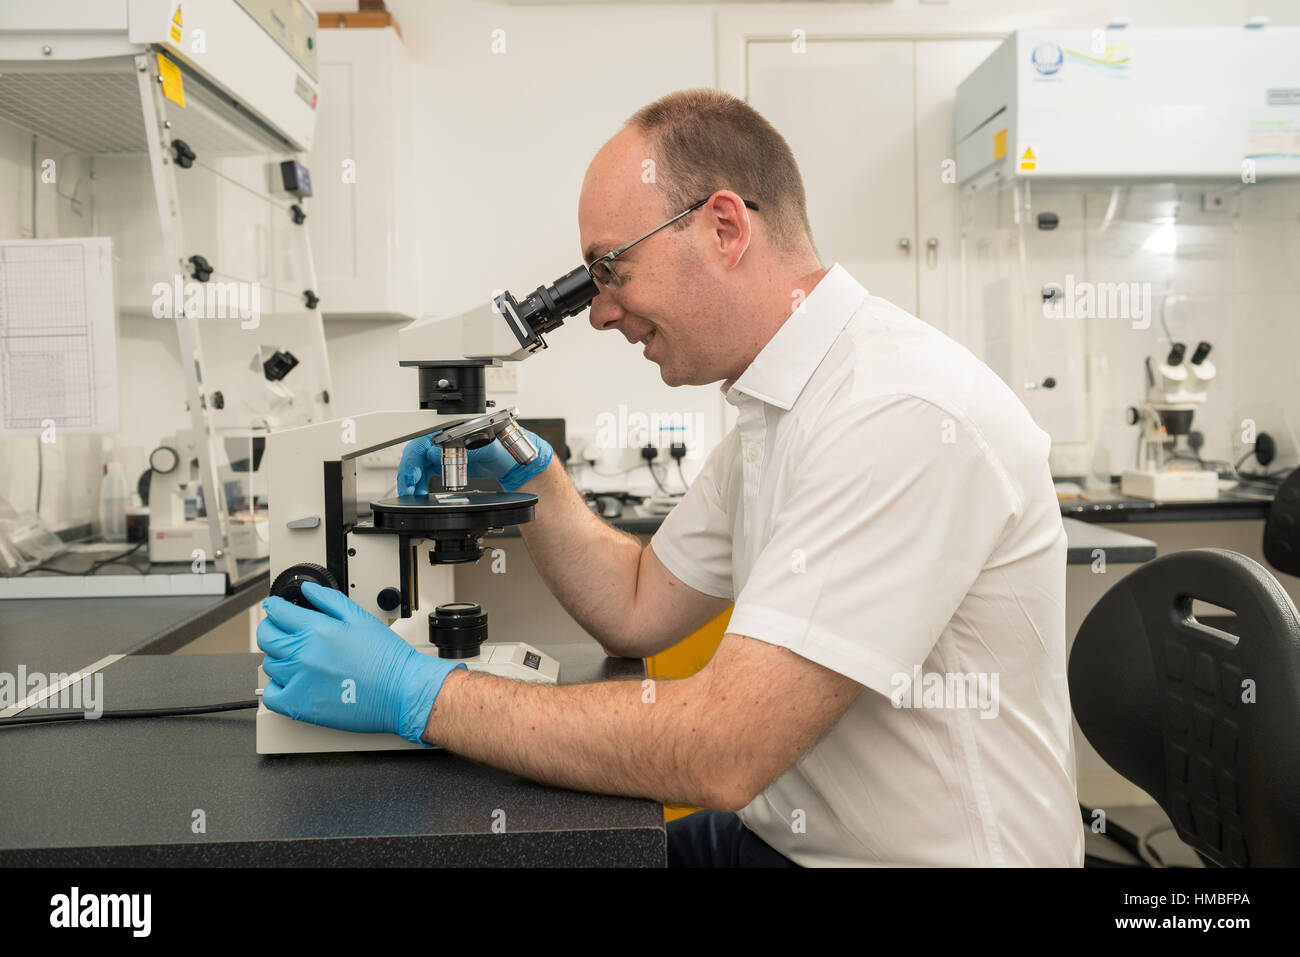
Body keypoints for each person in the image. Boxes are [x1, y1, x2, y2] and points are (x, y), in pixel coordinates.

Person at [258, 88, 1084, 867]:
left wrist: (419, 692)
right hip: (785, 834)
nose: (601, 310)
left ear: (724, 227)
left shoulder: (896, 412)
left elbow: (724, 746)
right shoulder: (777, 407)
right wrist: (538, 486)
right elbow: (639, 604)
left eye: (609, 270)